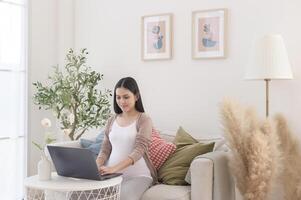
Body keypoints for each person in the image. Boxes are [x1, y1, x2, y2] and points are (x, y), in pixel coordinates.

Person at [96, 77, 157, 200]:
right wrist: (95, 166)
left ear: (136, 96)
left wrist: (114, 168)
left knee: (123, 197)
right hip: (111, 176)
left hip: (138, 176)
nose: (121, 101)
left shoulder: (144, 119)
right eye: (118, 97)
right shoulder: (111, 120)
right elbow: (105, 149)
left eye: (126, 97)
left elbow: (139, 150)